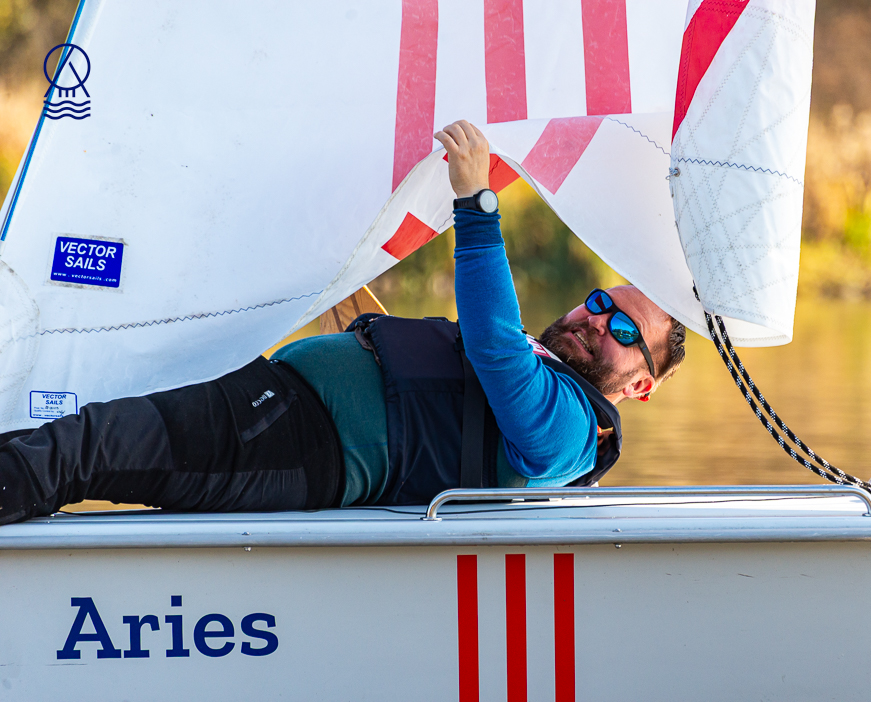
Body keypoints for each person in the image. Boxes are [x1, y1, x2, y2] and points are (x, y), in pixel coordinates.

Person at [0, 120, 685, 525]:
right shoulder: (542, 371)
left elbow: (495, 349)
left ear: (641, 385)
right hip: (272, 407)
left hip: (292, 444)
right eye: (601, 303)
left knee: (84, 448)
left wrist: (475, 202)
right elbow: (431, 389)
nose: (600, 323)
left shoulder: (573, 433)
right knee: (71, 435)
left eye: (627, 333)